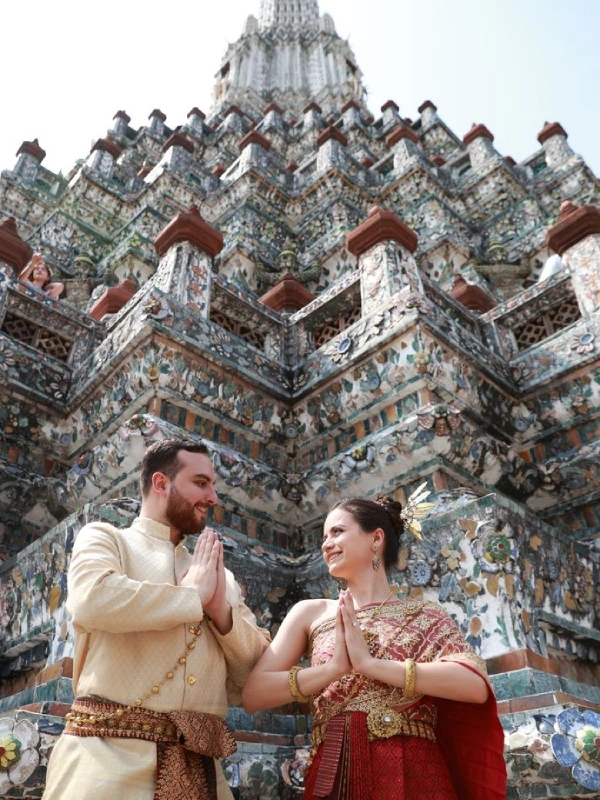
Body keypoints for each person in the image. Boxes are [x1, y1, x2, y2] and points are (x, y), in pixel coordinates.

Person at [242, 488, 507, 799]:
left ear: (376, 539)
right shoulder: (311, 613)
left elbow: (474, 686)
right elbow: (254, 694)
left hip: (414, 771)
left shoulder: (425, 614)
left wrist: (372, 665)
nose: (327, 545)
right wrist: (332, 669)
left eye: (337, 532)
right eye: (324, 538)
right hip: (334, 768)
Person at [43, 438, 270, 800]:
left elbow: (256, 670)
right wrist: (190, 597)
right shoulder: (107, 539)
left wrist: (219, 611)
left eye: (212, 485)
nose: (213, 497)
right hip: (105, 761)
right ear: (161, 483)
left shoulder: (218, 578)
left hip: (202, 772)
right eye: (201, 483)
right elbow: (92, 600)